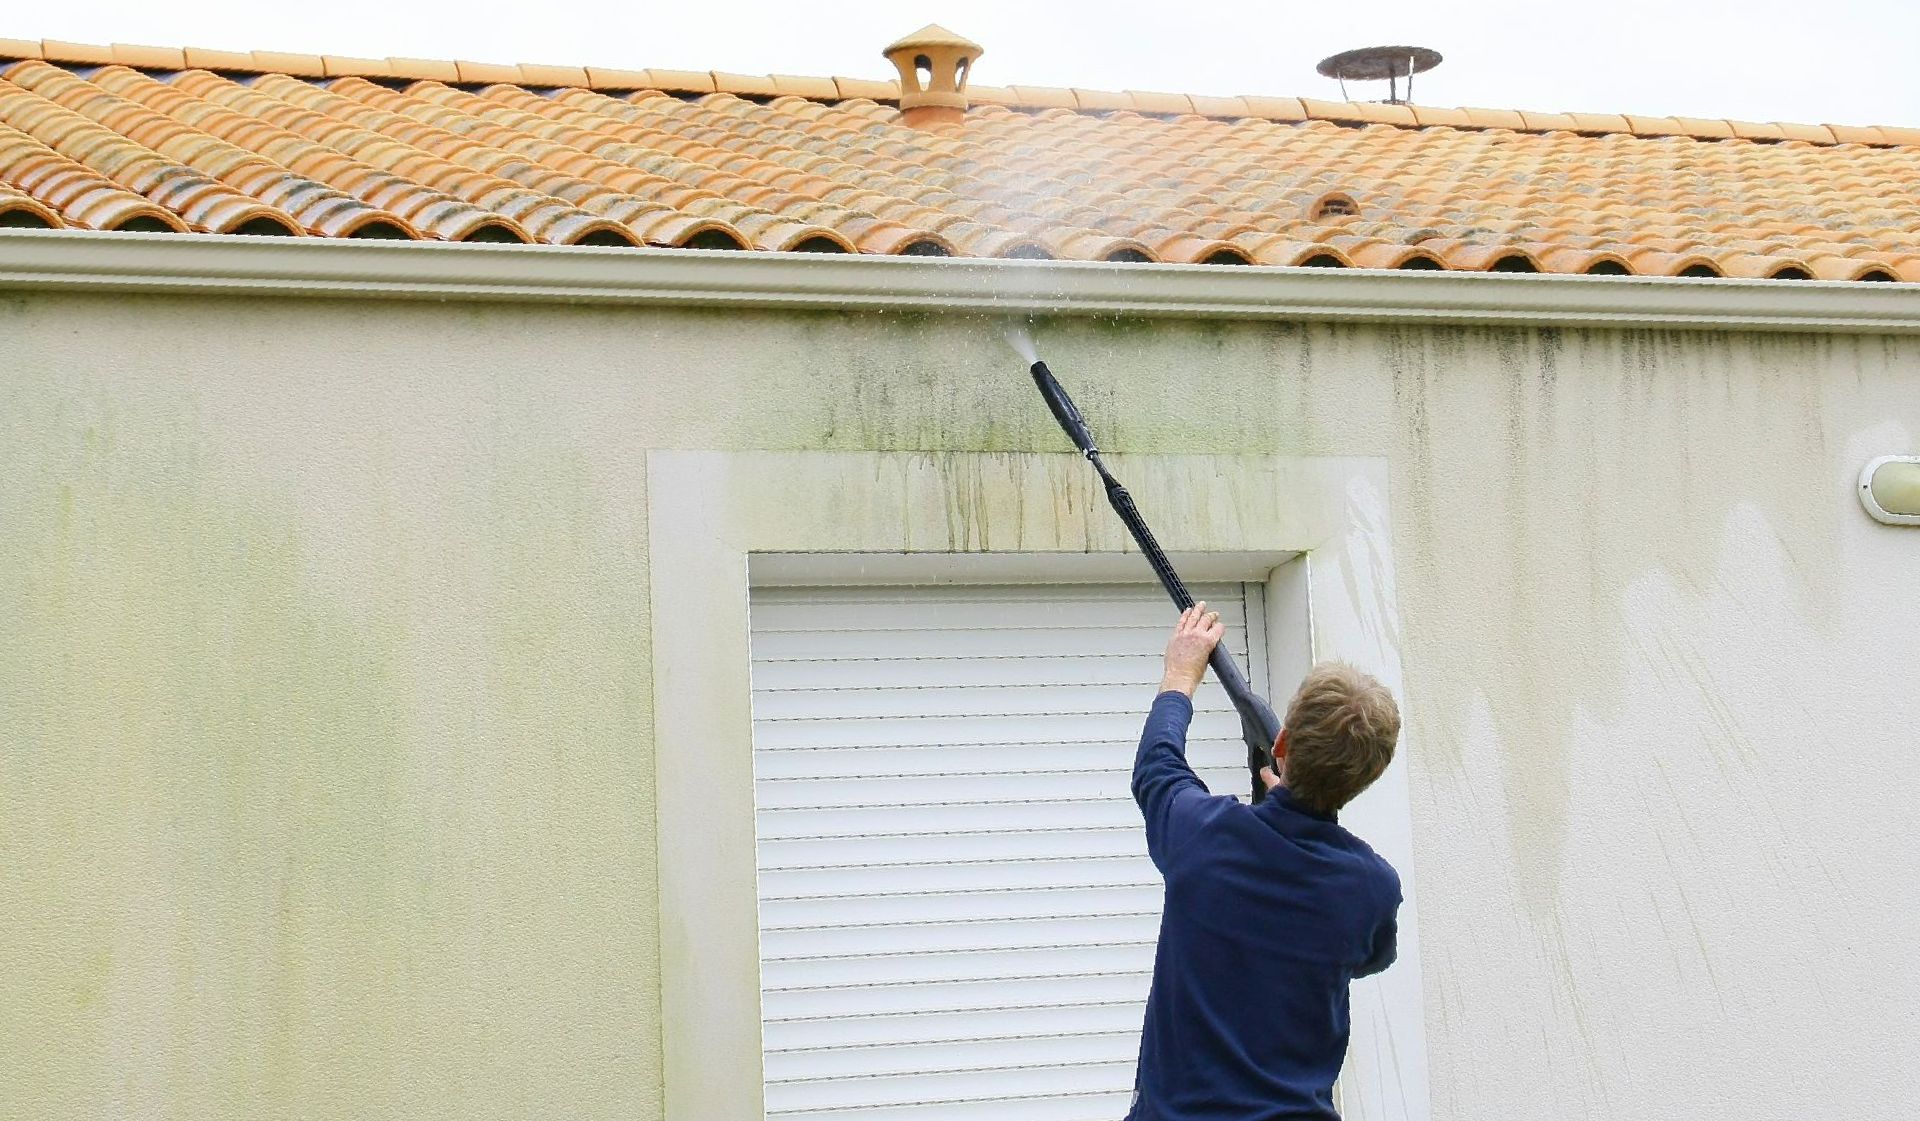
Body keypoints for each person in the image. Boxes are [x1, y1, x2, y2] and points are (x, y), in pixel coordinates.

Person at [1126, 603, 1403, 1121]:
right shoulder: (1372, 890)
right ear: (1369, 776)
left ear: (1281, 744)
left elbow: (1158, 768)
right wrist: (1277, 811)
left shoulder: (1203, 838)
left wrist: (1180, 674)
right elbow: (1370, 957)